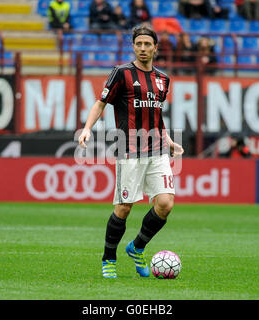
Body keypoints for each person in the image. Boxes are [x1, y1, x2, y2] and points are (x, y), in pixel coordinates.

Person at [78, 25, 184, 278]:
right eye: (139, 44)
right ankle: (109, 258)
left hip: (157, 150)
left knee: (166, 203)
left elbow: (156, 115)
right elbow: (100, 103)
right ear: (133, 46)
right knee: (124, 207)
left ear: (156, 47)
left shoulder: (163, 79)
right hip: (130, 150)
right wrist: (86, 128)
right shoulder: (121, 73)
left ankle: (137, 247)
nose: (144, 48)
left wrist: (168, 140)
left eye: (148, 44)